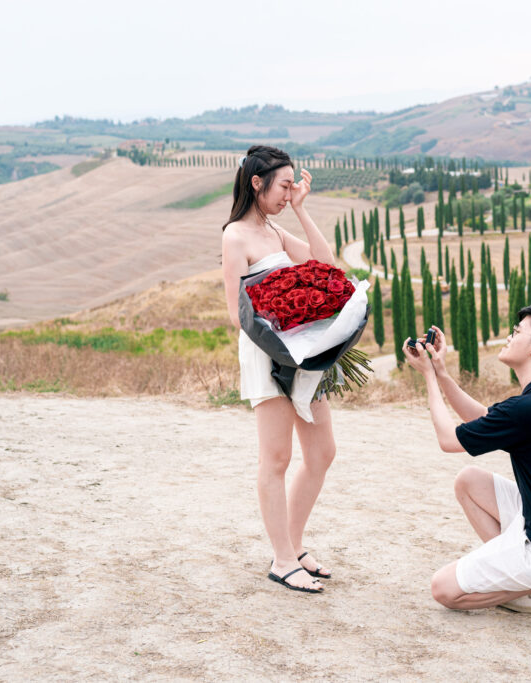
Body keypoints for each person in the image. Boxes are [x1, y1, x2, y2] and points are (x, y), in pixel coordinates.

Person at [402, 305, 531, 630]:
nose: (509, 336)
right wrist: (440, 372)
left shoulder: (529, 407)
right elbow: (486, 420)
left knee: (444, 590)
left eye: (517, 332)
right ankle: (525, 592)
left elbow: (447, 439)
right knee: (469, 481)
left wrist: (426, 376)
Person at [222, 145, 336, 594]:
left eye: (293, 186)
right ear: (257, 183)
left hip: (305, 354)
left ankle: (293, 544)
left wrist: (304, 212)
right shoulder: (236, 236)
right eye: (285, 186)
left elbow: (325, 265)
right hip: (267, 353)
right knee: (277, 459)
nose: (290, 193)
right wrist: (284, 327)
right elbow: (237, 313)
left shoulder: (274, 229)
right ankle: (283, 559)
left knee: (322, 453)